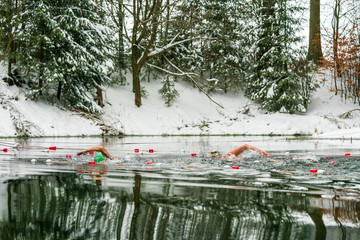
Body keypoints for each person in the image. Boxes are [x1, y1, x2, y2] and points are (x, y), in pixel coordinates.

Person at [77, 144, 269, 160]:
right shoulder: (228, 157)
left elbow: (244, 146)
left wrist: (84, 152)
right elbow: (101, 149)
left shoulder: (228, 157)